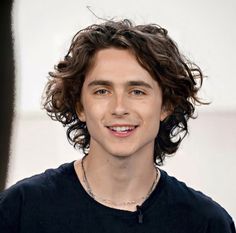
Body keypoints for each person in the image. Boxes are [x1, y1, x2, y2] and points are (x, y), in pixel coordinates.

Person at [0, 19, 235, 233]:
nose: (119, 107)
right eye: (102, 91)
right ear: (80, 106)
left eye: (137, 91)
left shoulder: (207, 223)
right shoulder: (20, 210)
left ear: (166, 105)